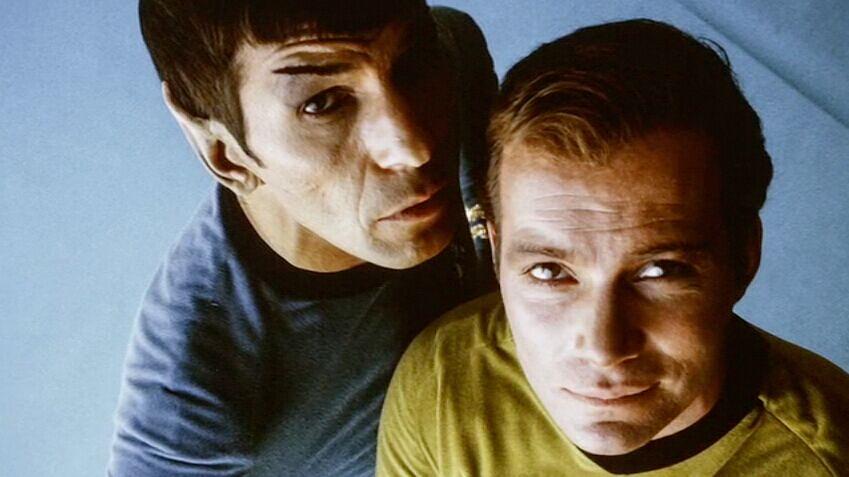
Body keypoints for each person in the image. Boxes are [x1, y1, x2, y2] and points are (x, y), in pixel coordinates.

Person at [377, 19, 849, 476]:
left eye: (660, 270)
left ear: (743, 258)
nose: (602, 348)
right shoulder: (443, 378)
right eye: (549, 271)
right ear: (498, 255)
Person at [108, 1, 496, 475]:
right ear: (221, 150)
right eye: (322, 104)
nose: (412, 147)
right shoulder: (190, 392)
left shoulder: (451, 55)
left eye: (411, 66)